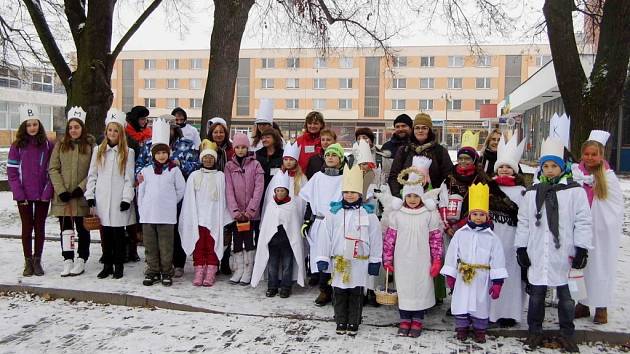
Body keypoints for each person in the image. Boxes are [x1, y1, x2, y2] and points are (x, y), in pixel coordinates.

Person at [515, 137, 592, 352]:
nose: (549, 170)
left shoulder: (574, 192)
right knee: (537, 295)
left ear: (562, 167)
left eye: (554, 166)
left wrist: (582, 248)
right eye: (545, 166)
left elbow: (583, 221)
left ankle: (567, 333)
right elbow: (523, 222)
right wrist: (521, 247)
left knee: (566, 297)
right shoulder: (531, 194)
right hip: (538, 251)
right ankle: (534, 331)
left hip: (564, 252)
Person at [316, 164, 382, 336]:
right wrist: (322, 256)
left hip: (359, 261)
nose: (350, 195)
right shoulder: (333, 214)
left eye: (353, 192)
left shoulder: (369, 215)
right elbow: (325, 236)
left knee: (356, 292)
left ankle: (354, 321)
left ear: (360, 194)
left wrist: (375, 260)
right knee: (339, 291)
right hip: (340, 261)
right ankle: (340, 320)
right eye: (346, 192)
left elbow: (375, 238)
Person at [382, 156, 443, 337]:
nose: (413, 199)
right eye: (409, 195)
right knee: (405, 288)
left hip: (422, 259)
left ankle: (417, 320)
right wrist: (387, 259)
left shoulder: (429, 214)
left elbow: (435, 239)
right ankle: (404, 319)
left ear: (422, 196)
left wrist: (437, 259)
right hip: (403, 259)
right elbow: (390, 238)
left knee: (421, 288)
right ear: (403, 196)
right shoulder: (397, 214)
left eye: (416, 195)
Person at [441, 183, 508, 344]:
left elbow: (498, 259)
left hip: (482, 278)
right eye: (475, 214)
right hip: (463, 275)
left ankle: (479, 330)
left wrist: (498, 282)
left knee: (481, 304)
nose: (478, 217)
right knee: (461, 302)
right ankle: (462, 328)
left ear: (487, 216)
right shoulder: (460, 234)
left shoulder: (492, 238)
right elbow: (452, 253)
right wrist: (451, 275)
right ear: (469, 216)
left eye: (481, 214)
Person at [572, 130, 623, 325]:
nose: (590, 157)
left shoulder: (608, 177)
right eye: (587, 154)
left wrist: (599, 222)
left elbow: (614, 207)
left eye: (594, 154)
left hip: (601, 232)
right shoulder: (576, 174)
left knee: (600, 267)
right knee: (579, 265)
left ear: (601, 156)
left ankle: (601, 305)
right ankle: (582, 302)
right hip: (579, 229)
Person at [85, 110, 135, 279]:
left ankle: (118, 264)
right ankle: (107, 264)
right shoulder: (98, 150)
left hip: (119, 200)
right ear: (106, 132)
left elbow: (129, 178)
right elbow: (93, 174)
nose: (112, 133)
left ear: (121, 133)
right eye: (110, 130)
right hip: (102, 198)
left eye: (116, 130)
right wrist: (90, 195)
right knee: (105, 233)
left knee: (118, 234)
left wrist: (127, 198)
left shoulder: (128, 152)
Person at [137, 118, 186, 287]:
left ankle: (166, 271)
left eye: (164, 152)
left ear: (168, 153)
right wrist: (143, 208)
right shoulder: (146, 171)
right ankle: (152, 270)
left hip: (167, 215)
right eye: (158, 153)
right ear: (153, 155)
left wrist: (171, 202)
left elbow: (181, 190)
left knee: (166, 246)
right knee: (150, 246)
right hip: (149, 215)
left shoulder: (174, 170)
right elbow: (140, 192)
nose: (161, 155)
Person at [49, 107, 95, 277]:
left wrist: (81, 188)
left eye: (77, 127)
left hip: (80, 196)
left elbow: (93, 170)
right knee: (66, 229)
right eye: (71, 127)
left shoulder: (90, 146)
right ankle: (67, 259)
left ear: (82, 128)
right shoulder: (60, 145)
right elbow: (53, 168)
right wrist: (61, 190)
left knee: (83, 230)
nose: (73, 130)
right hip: (64, 197)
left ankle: (82, 258)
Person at [9, 105, 54, 276]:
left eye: (35, 124)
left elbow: (52, 170)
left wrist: (47, 192)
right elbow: (12, 172)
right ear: (24, 127)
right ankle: (28, 261)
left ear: (39, 125)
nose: (32, 128)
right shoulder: (17, 146)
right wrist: (19, 194)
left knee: (40, 227)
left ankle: (37, 260)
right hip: (24, 195)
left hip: (42, 194)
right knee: (27, 228)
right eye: (29, 125)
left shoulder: (48, 145)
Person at [488, 131, 527, 327]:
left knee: (510, 276)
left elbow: (525, 216)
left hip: (512, 238)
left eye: (508, 167)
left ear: (515, 170)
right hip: (492, 236)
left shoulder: (521, 191)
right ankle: (489, 311)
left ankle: (508, 312)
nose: (504, 170)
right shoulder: (488, 187)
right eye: (501, 166)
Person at [179, 143, 232, 287]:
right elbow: (189, 198)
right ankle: (199, 270)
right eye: (205, 157)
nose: (208, 160)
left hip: (214, 217)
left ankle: (210, 271)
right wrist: (191, 216)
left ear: (215, 160)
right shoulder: (194, 176)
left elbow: (225, 197)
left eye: (211, 157)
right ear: (201, 159)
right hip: (198, 217)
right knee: (199, 245)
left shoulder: (220, 176)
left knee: (212, 244)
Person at [299, 143, 345, 306]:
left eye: (334, 155)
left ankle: (338, 290)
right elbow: (310, 202)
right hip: (319, 222)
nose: (330, 157)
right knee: (321, 256)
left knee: (337, 256)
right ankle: (324, 290)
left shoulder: (345, 177)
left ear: (340, 158)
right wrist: (307, 221)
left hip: (338, 223)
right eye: (328, 155)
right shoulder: (318, 177)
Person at [251, 171, 305, 298]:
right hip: (273, 241)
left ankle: (286, 287)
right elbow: (267, 225)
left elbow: (293, 226)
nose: (280, 193)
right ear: (274, 192)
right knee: (272, 265)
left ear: (287, 191)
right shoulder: (271, 205)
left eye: (283, 191)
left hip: (287, 241)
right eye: (278, 190)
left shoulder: (291, 205)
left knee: (287, 265)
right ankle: (272, 286)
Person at [225, 133, 265, 285]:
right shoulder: (229, 166)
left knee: (249, 240)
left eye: (243, 147)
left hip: (250, 214)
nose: (240, 150)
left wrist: (250, 210)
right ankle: (239, 269)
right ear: (234, 149)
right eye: (237, 147)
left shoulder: (255, 165)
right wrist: (235, 210)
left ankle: (248, 270)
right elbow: (229, 190)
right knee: (237, 240)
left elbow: (258, 189)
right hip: (237, 213)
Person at [389, 113, 452, 198]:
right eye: (417, 128)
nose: (420, 131)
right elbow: (394, 176)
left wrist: (438, 196)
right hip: (406, 200)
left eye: (424, 128)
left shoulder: (439, 151)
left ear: (429, 130)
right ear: (413, 130)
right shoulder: (404, 150)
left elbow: (447, 177)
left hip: (432, 200)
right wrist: (398, 196)